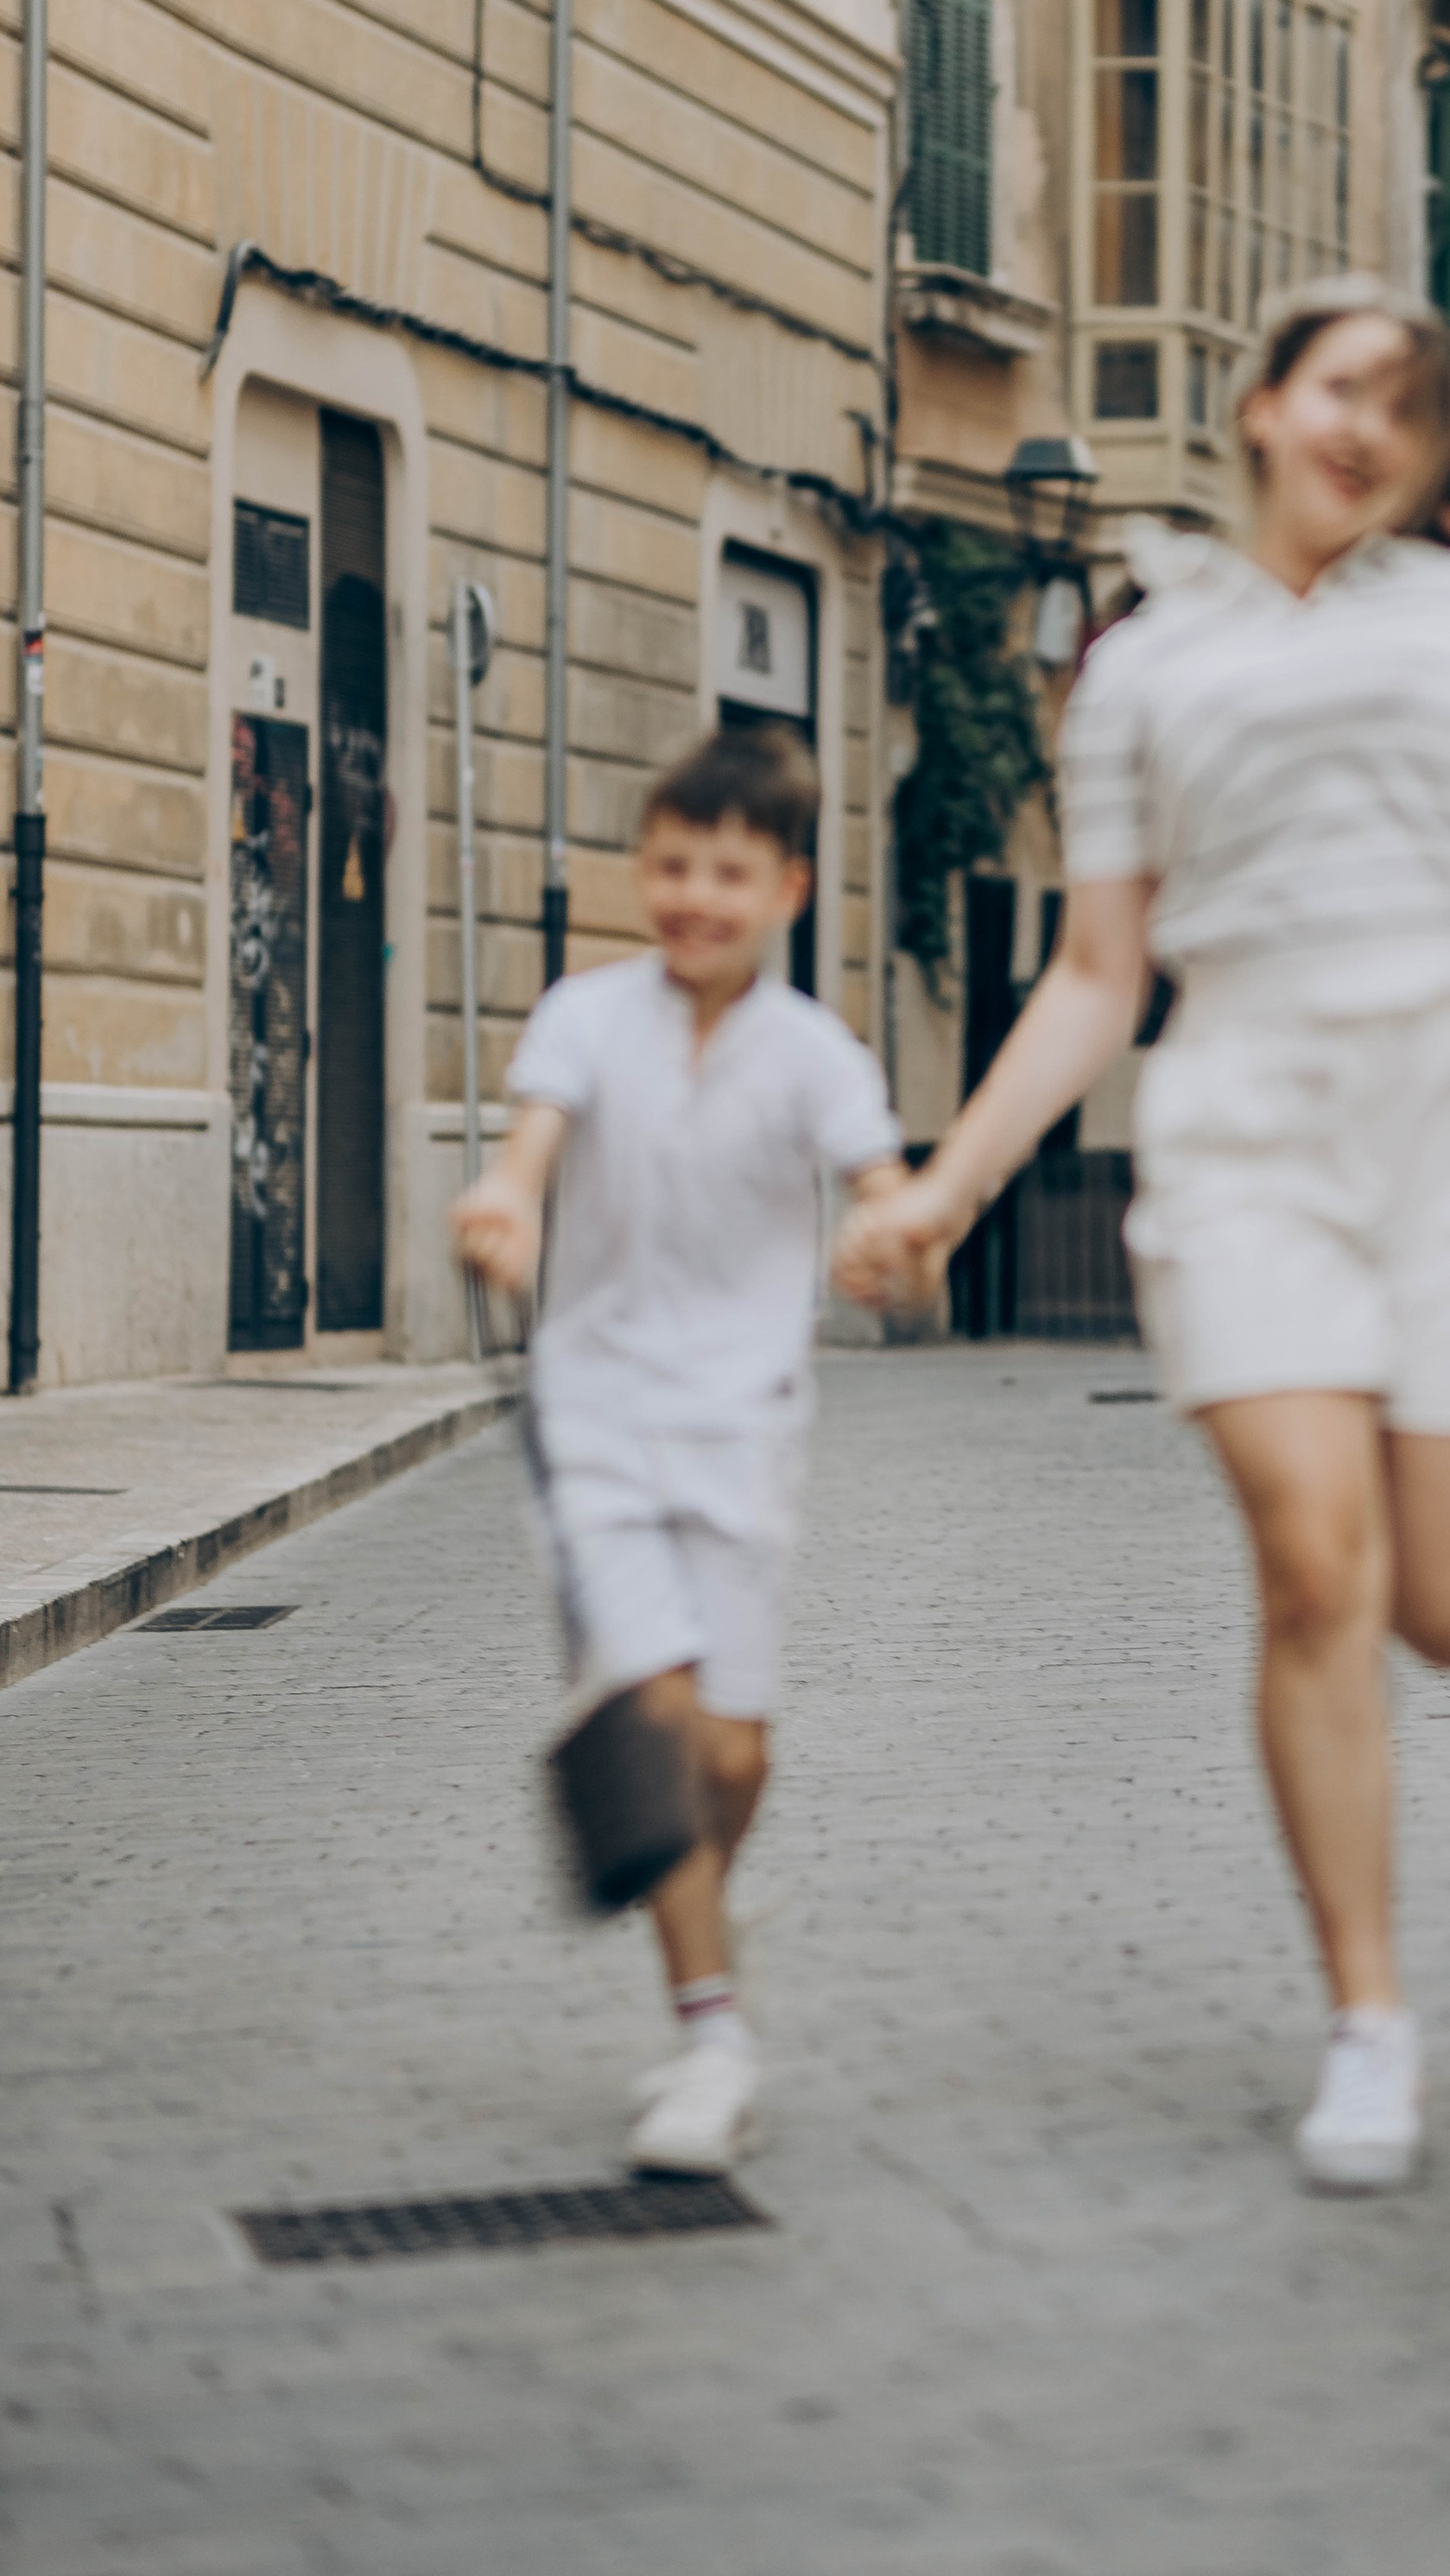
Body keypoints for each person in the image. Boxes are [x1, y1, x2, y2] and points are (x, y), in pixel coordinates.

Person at [834, 277, 1450, 2195]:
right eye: (1342, 388)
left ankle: (1376, 1889)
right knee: (1306, 1570)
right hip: (1247, 1118)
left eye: (1410, 409)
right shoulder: (1144, 663)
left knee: (1441, 1615)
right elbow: (1102, 975)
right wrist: (949, 1183)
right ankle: (1368, 2019)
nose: (1371, 427)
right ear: (1260, 404)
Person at [454, 723, 907, 2176]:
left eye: (725, 872)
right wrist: (510, 1206)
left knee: (734, 1749)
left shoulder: (814, 1052)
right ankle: (710, 2037)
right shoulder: (586, 1014)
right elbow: (533, 1141)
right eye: (668, 868)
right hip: (591, 1421)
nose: (692, 898)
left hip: (743, 1431)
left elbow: (879, 1184)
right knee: (655, 1722)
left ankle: (701, 1881)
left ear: (785, 885)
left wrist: (891, 1240)